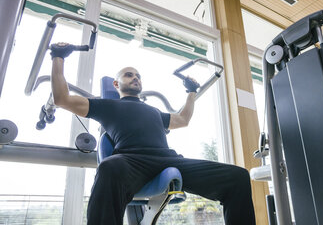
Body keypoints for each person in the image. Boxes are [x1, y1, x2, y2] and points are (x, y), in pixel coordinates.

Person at [50, 43, 256, 225]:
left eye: (138, 76)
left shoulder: (154, 111)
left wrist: (191, 91)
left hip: (169, 160)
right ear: (116, 84)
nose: (135, 78)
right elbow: (62, 99)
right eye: (129, 75)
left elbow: (183, 119)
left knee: (237, 177)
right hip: (132, 161)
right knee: (108, 167)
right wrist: (58, 57)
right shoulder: (107, 106)